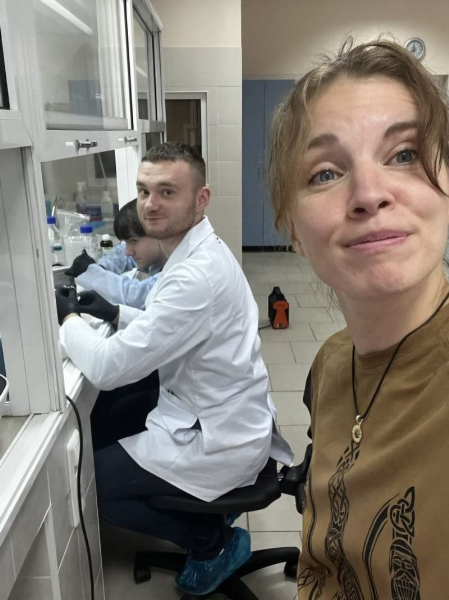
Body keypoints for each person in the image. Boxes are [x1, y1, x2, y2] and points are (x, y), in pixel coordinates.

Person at [55, 142, 293, 596]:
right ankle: (202, 515)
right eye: (144, 191)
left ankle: (209, 543)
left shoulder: (193, 275)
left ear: (201, 199)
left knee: (91, 481)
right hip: (220, 410)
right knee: (114, 413)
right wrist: (114, 313)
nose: (151, 204)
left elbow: (106, 367)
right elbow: (173, 327)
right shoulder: (196, 252)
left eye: (168, 192)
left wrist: (67, 320)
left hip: (219, 438)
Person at [268, 38, 449, 598]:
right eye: (325, 173)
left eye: (404, 154)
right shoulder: (330, 363)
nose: (369, 194)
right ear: (294, 230)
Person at [65, 199, 166, 309]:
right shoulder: (156, 257)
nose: (128, 252)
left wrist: (93, 274)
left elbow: (135, 296)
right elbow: (122, 253)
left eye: (133, 241)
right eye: (126, 242)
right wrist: (102, 267)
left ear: (158, 233)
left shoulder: (173, 271)